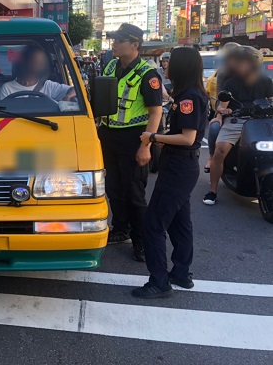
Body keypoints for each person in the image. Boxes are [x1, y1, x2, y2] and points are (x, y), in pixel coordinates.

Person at [131, 47, 208, 299]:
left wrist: (152, 137)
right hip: (182, 165)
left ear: (181, 67)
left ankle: (159, 282)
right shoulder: (190, 94)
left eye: (169, 62)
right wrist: (165, 140)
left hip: (179, 167)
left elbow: (188, 138)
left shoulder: (189, 98)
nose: (165, 66)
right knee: (179, 221)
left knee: (153, 224)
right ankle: (181, 273)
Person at [99, 23, 163, 262]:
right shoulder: (111, 65)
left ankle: (141, 241)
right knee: (114, 188)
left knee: (134, 193)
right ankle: (121, 228)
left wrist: (146, 145)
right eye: (114, 40)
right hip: (109, 135)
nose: (114, 44)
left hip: (134, 137)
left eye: (119, 41)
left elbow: (155, 112)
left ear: (135, 45)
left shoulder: (148, 75)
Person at [204, 46, 273, 205]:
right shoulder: (232, 83)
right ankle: (212, 190)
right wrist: (222, 111)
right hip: (237, 120)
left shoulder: (266, 81)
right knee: (220, 151)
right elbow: (223, 104)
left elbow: (271, 99)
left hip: (261, 121)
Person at [203, 43, 241, 173]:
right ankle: (211, 157)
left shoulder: (257, 76)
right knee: (214, 128)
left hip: (251, 114)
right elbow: (221, 96)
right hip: (227, 111)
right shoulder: (223, 74)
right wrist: (219, 114)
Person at [0, 45, 76, 102]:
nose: (39, 66)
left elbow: (75, 90)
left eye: (41, 63)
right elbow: (1, 115)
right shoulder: (7, 88)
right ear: (24, 62)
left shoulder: (49, 86)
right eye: (35, 62)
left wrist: (68, 96)